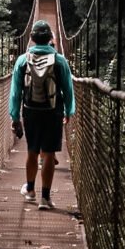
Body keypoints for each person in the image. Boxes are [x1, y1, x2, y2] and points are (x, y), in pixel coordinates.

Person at [9, 19, 75, 210]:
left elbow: (15, 92)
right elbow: (67, 89)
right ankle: (45, 198)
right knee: (48, 153)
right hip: (53, 111)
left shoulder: (23, 60)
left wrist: (14, 116)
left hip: (30, 111)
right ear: (50, 39)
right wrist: (69, 111)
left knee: (32, 150)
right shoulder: (60, 60)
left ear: (31, 39)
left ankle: (30, 190)